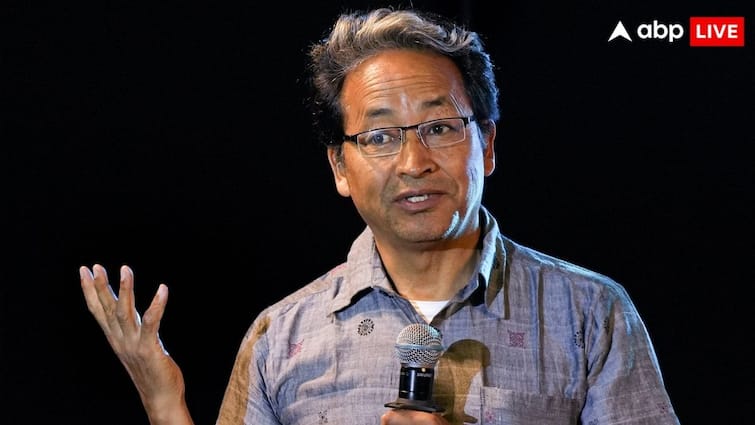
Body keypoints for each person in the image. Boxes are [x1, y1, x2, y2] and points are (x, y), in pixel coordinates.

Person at [80, 6, 680, 425]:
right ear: (340, 167)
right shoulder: (279, 337)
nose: (414, 162)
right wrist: (164, 403)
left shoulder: (589, 314)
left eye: (439, 127)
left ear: (488, 144)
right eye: (380, 137)